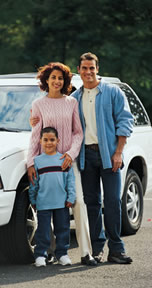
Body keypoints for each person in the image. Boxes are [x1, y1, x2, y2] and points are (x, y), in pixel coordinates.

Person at [27, 62, 97, 266]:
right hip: (45, 163)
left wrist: (71, 153)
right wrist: (31, 162)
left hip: (67, 162)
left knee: (78, 202)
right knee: (45, 206)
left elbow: (78, 132)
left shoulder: (71, 103)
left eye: (60, 78)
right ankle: (48, 252)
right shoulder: (38, 105)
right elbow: (35, 135)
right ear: (46, 80)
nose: (57, 81)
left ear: (65, 82)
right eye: (53, 78)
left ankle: (86, 253)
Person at [71, 52, 134, 264]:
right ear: (78, 70)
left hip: (109, 155)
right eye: (84, 68)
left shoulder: (112, 92)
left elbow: (125, 121)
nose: (88, 72)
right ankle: (96, 249)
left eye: (92, 68)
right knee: (92, 203)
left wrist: (118, 152)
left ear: (97, 69)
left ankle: (116, 249)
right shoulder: (74, 98)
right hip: (85, 157)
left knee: (113, 201)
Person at [29, 127, 75, 267]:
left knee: (62, 229)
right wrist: (33, 199)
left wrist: (71, 197)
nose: (49, 143)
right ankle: (41, 255)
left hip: (61, 202)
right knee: (42, 231)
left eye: (52, 140)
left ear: (58, 141)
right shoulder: (37, 161)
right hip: (43, 202)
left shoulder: (63, 160)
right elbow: (34, 183)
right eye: (46, 140)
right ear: (40, 141)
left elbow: (70, 180)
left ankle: (62, 254)